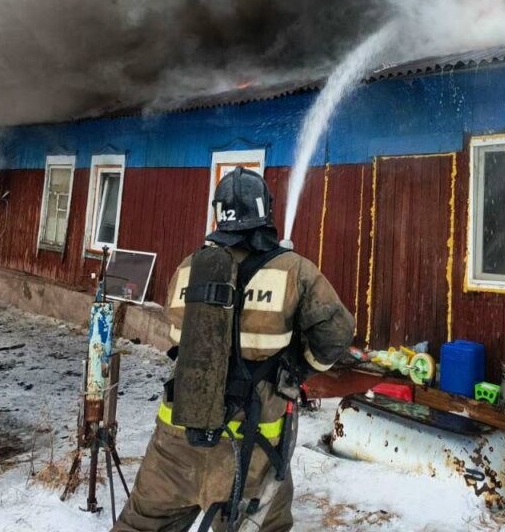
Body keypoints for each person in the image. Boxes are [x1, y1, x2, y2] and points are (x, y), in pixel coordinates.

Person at [114, 167, 355, 532]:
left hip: (175, 444)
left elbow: (178, 332)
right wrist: (299, 367)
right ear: (265, 212)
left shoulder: (187, 268)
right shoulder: (295, 271)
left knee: (141, 525)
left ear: (219, 215)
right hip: (251, 450)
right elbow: (338, 331)